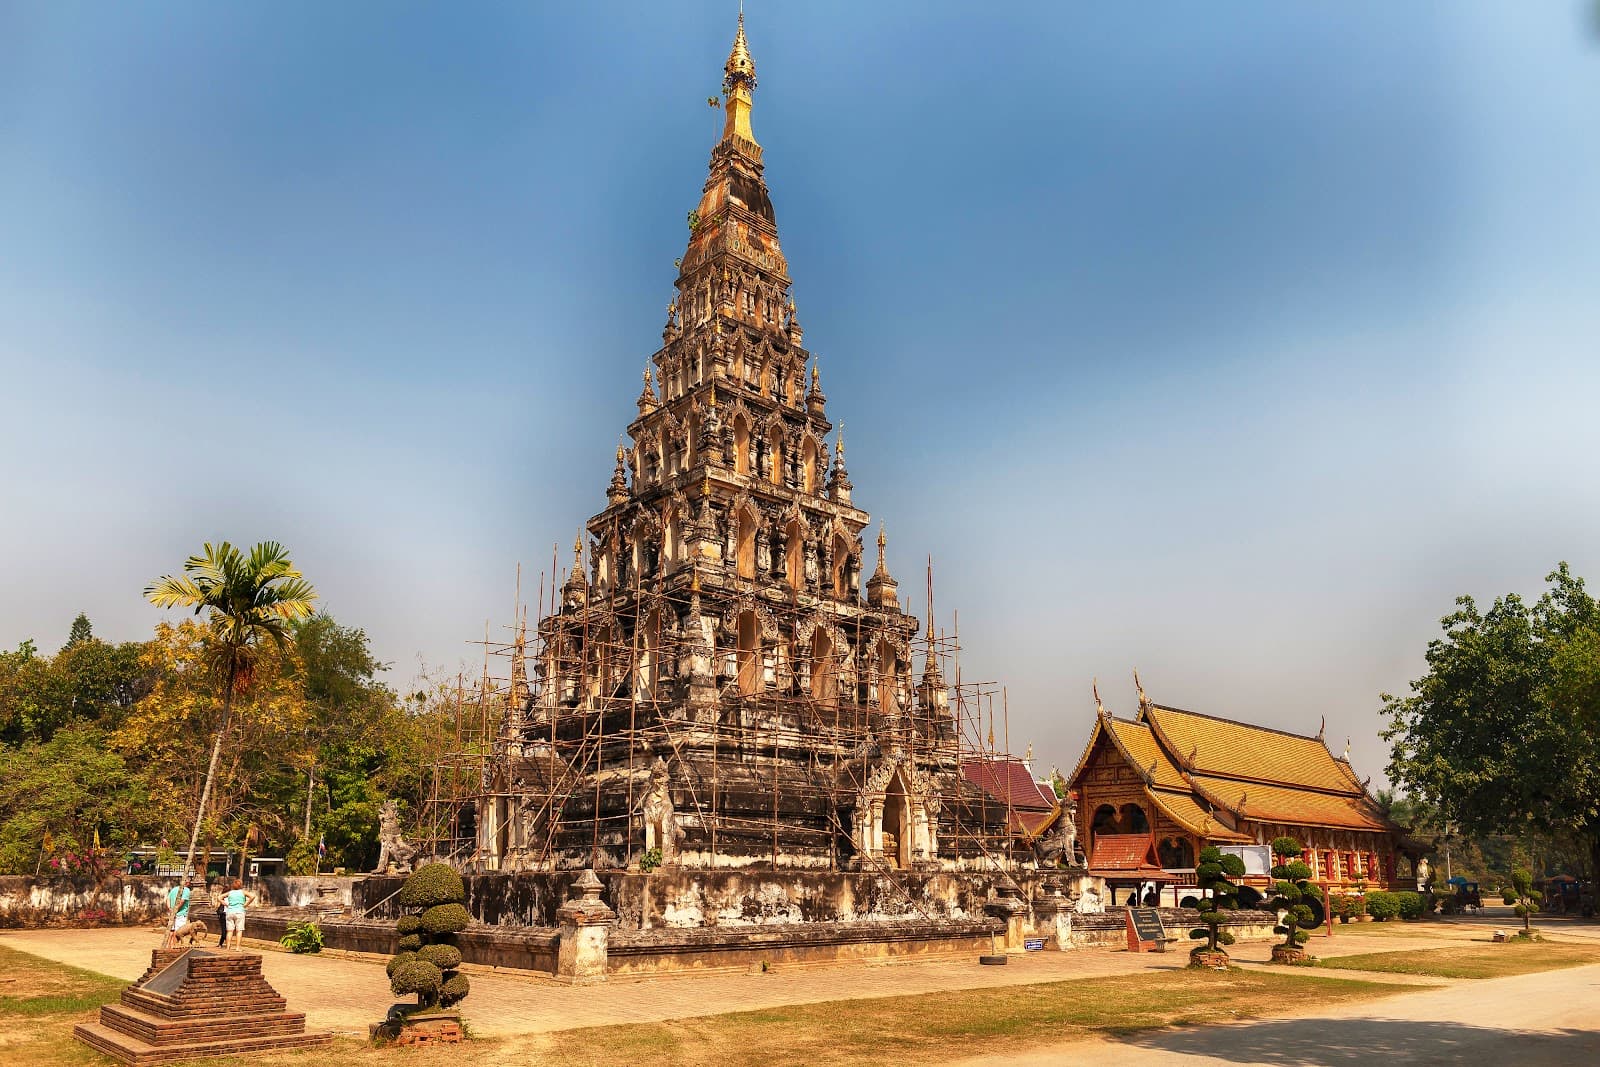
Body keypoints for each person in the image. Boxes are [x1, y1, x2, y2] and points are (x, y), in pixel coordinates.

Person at [222, 879, 256, 951]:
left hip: (230, 911)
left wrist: (226, 904)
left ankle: (228, 947)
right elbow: (252, 896)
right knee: (239, 930)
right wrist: (246, 904)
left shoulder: (230, 893)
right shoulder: (242, 892)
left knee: (229, 931)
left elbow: (219, 897)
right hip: (239, 911)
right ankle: (237, 947)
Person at [161, 876, 192, 949]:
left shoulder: (174, 889)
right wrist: (175, 910)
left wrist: (170, 909)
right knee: (178, 932)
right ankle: (173, 947)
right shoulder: (186, 890)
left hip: (172, 913)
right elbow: (182, 901)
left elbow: (168, 899)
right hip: (180, 914)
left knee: (172, 930)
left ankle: (169, 946)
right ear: (187, 883)